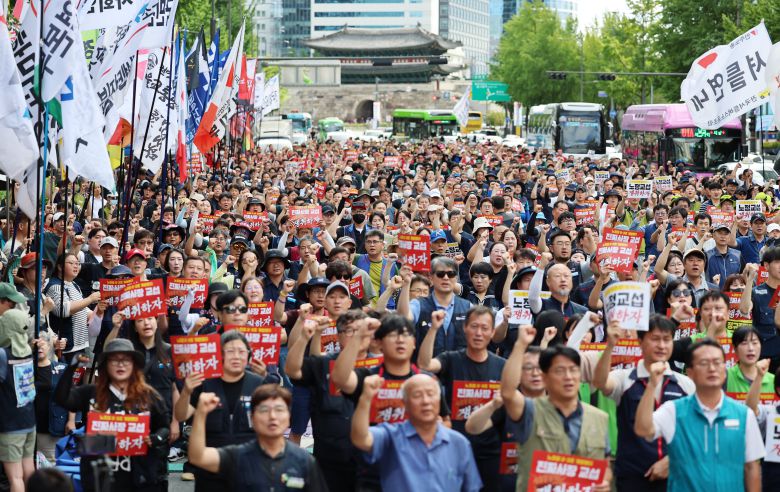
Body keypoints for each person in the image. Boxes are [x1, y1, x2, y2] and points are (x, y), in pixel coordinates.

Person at [634, 339, 764, 492]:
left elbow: (751, 468)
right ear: (690, 372)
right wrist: (651, 385)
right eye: (703, 363)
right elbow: (643, 429)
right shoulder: (674, 411)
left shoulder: (743, 414)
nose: (712, 368)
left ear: (725, 369)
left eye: (717, 362)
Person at [500, 325, 611, 491]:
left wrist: (604, 481)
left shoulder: (599, 418)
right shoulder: (530, 410)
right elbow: (508, 393)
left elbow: (605, 464)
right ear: (545, 377)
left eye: (573, 370)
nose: (568, 377)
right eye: (560, 370)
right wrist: (520, 345)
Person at [592, 315, 695, 492]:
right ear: (640, 341)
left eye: (667, 339)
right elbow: (601, 382)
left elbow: (693, 432)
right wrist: (610, 345)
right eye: (655, 339)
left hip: (674, 475)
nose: (662, 345)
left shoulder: (685, 384)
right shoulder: (625, 378)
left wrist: (672, 461)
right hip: (632, 477)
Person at [54, 338, 170, 492]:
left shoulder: (148, 396)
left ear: (134, 365)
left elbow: (164, 427)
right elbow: (62, 398)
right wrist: (72, 367)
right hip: (100, 476)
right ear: (106, 365)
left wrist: (155, 438)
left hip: (138, 474)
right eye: (114, 360)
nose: (120, 364)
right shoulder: (91, 393)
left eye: (126, 360)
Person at [174, 330, 279, 491]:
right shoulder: (205, 383)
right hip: (210, 468)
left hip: (250, 469)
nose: (236, 356)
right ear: (219, 355)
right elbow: (181, 415)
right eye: (230, 351)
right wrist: (187, 391)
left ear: (249, 356)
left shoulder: (259, 385)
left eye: (241, 351)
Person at [417, 306, 506, 490]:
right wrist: (434, 328)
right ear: (465, 328)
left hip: (490, 451)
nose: (479, 333)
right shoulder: (451, 359)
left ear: (492, 332)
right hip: (454, 448)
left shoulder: (502, 366)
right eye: (474, 326)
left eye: (484, 328)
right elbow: (425, 363)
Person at [350, 373, 483, 492]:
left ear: (439, 400)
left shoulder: (459, 443)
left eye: (431, 394)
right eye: (417, 395)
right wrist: (365, 398)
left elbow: (471, 487)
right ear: (404, 403)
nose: (426, 401)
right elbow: (360, 439)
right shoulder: (391, 436)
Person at [188, 384, 329, 491]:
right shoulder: (237, 456)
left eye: (279, 410)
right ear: (252, 418)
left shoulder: (305, 461)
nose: (272, 416)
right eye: (264, 410)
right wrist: (200, 413)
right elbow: (198, 456)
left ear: (289, 417)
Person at [0, 308, 51, 492]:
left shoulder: (3, 355)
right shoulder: (28, 352)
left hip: (11, 426)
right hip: (29, 422)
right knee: (29, 471)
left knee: (15, 478)